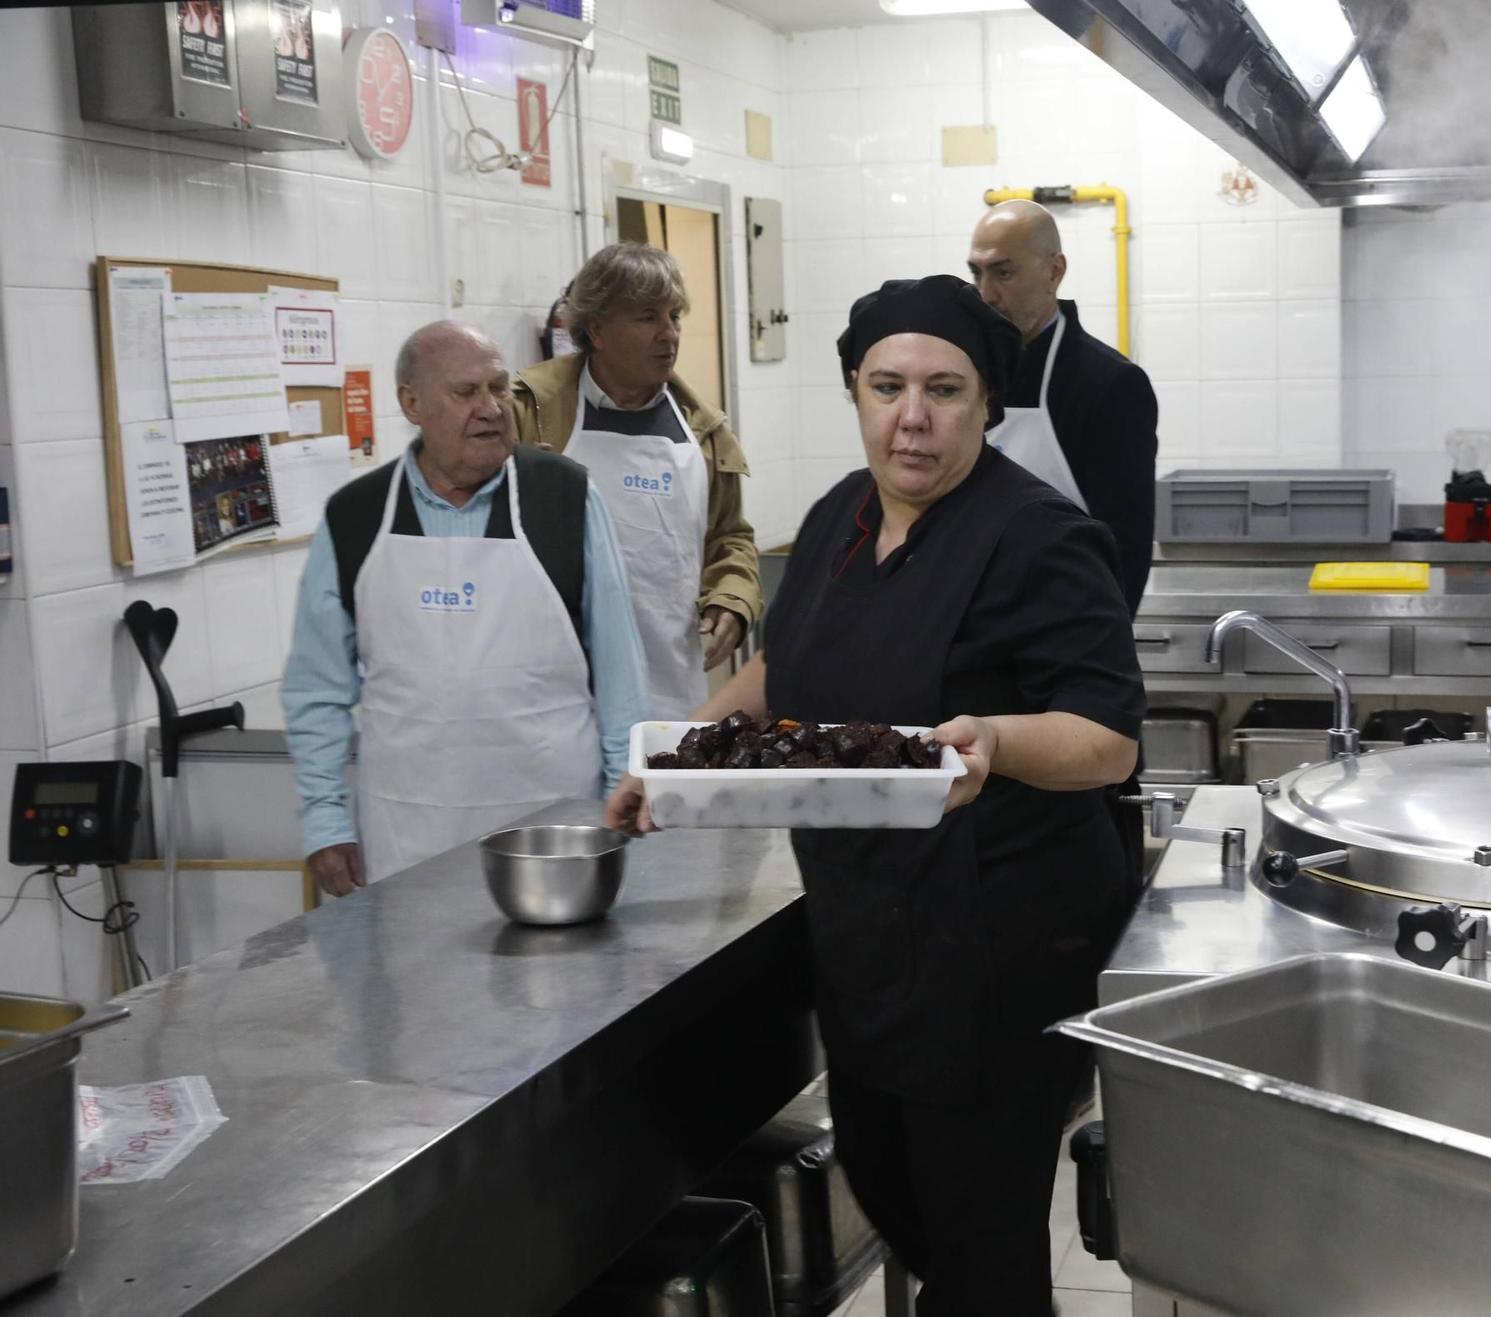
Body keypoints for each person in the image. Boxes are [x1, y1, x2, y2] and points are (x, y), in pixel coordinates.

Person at [605, 277, 1144, 1316]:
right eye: (886, 385)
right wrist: (676, 756)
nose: (913, 416)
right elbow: (789, 667)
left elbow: (1106, 740)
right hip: (865, 928)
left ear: (985, 403)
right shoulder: (835, 518)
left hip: (998, 945)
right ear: (853, 390)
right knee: (894, 1191)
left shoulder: (1040, 536)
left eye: (944, 389)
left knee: (979, 1248)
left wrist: (994, 739)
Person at [282, 320, 648, 897]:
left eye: (499, 388)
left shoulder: (566, 498)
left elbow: (621, 671)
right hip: (407, 832)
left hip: (554, 828)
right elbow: (316, 689)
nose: (491, 408)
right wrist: (324, 821)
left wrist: (622, 794)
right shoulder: (356, 517)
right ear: (411, 403)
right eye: (465, 392)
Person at [511, 243, 761, 719]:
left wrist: (732, 601)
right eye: (648, 318)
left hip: (669, 685)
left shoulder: (704, 432)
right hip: (549, 692)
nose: (669, 335)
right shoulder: (531, 413)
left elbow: (730, 538)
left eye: (675, 317)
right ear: (598, 330)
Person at [967, 198, 1159, 613]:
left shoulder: (1108, 384)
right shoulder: (965, 378)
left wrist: (1097, 662)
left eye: (1003, 273)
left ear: (1054, 272)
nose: (986, 295)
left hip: (1065, 636)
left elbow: (1126, 550)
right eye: (976, 273)